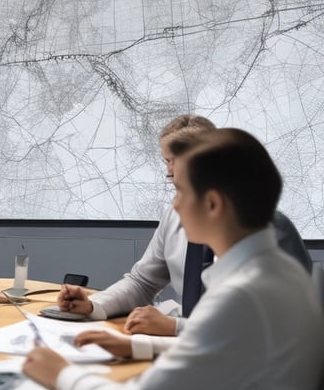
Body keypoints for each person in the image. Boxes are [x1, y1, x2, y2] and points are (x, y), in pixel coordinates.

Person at [24, 128, 324, 390]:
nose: (175, 205)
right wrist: (138, 346)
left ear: (212, 203)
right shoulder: (281, 271)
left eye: (180, 191)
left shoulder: (240, 296)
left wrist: (60, 374)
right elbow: (224, 341)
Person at [57, 115, 311, 339]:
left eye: (177, 161)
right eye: (167, 162)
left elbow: (271, 330)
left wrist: (176, 327)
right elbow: (143, 281)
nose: (170, 170)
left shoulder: (264, 229)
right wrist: (93, 305)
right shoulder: (176, 215)